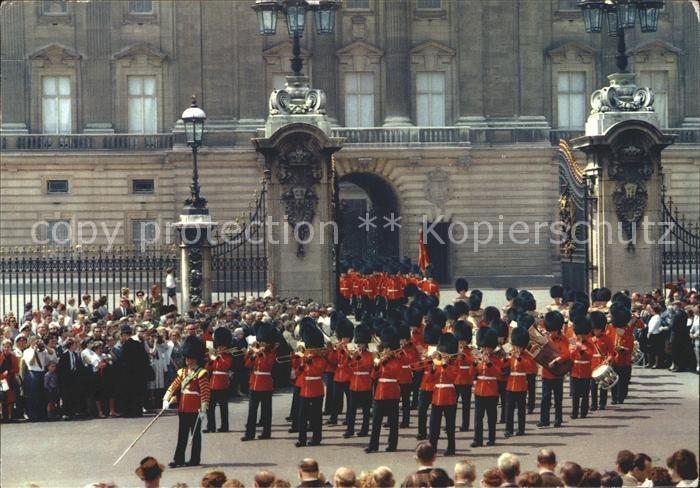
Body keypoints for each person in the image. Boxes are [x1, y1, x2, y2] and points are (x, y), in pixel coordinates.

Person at [163, 335, 210, 468]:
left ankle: (195, 459)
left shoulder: (201, 373)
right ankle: (178, 459)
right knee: (182, 435)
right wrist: (166, 399)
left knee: (195, 435)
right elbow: (174, 386)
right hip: (183, 407)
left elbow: (205, 392)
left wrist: (204, 408)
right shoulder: (183, 372)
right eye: (188, 358)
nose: (189, 361)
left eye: (191, 359)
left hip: (195, 408)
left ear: (197, 359)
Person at [365, 327, 402, 453]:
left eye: (388, 348)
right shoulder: (380, 360)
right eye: (385, 348)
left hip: (392, 393)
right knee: (376, 421)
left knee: (393, 421)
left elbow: (395, 373)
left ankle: (392, 445)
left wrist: (385, 362)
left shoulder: (397, 360)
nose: (386, 350)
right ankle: (373, 445)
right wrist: (377, 365)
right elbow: (373, 376)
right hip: (380, 393)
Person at [242, 322, 277, 441]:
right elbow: (247, 364)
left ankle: (266, 433)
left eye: (264, 342)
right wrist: (252, 355)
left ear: (268, 343)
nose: (262, 344)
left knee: (266, 411)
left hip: (266, 384)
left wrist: (262, 354)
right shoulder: (255, 352)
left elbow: (268, 365)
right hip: (254, 384)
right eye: (261, 342)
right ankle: (249, 434)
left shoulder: (271, 353)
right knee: (252, 411)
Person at [296, 321, 328, 447]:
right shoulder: (304, 357)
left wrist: (309, 362)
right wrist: (300, 362)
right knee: (302, 415)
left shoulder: (320, 359)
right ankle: (301, 439)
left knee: (316, 415)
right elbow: (297, 372)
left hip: (316, 389)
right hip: (305, 389)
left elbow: (318, 371)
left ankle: (316, 438)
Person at [428, 332, 459, 455]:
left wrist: (445, 365)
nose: (443, 355)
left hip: (449, 397)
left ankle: (451, 448)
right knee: (434, 425)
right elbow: (429, 380)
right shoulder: (437, 364)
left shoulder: (454, 364)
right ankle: (432, 448)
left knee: (450, 426)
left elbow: (453, 377)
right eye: (442, 353)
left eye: (445, 353)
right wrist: (434, 368)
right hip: (437, 397)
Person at [538, 311, 570, 428]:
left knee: (558, 399)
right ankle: (544, 420)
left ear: (558, 329)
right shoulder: (545, 339)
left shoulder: (564, 340)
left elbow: (567, 354)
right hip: (546, 374)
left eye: (553, 330)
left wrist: (557, 360)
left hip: (558, 374)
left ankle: (558, 420)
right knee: (545, 399)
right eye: (550, 330)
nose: (551, 333)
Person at [471, 327, 502, 447]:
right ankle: (477, 439)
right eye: (482, 347)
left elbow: (498, 374)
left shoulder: (496, 358)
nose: (484, 349)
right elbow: (471, 374)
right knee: (478, 418)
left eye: (486, 347)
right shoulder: (478, 358)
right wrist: (474, 363)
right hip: (479, 391)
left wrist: (489, 362)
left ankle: (491, 439)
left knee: (491, 417)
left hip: (491, 391)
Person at [344, 324, 373, 438]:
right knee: (351, 410)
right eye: (358, 343)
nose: (359, 345)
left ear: (366, 343)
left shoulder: (370, 355)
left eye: (361, 343)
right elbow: (349, 367)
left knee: (366, 410)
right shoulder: (354, 354)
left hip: (365, 384)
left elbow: (368, 366)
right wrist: (353, 357)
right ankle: (349, 429)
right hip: (354, 384)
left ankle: (364, 430)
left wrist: (358, 358)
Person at [204, 327, 233, 433]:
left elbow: (226, 366)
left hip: (222, 383)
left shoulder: (228, 356)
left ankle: (224, 426)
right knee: (209, 407)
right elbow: (208, 369)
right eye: (219, 346)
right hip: (212, 383)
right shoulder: (214, 355)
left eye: (222, 346)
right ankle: (210, 426)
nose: (220, 348)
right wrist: (210, 361)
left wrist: (219, 356)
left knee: (223, 407)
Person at [118, 324, 150, 417]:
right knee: (137, 394)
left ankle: (128, 412)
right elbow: (145, 359)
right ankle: (137, 411)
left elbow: (124, 361)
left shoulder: (126, 346)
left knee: (128, 394)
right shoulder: (138, 344)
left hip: (128, 374)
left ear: (124, 335)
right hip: (139, 374)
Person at [505, 326, 532, 437]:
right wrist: (505, 358)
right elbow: (503, 365)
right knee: (509, 409)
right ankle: (508, 429)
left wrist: (519, 358)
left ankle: (521, 429)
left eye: (520, 347)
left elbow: (529, 368)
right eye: (516, 346)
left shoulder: (527, 356)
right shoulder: (510, 352)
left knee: (521, 410)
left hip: (521, 385)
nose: (517, 349)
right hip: (511, 385)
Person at [570, 316, 593, 419]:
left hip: (586, 371)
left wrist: (582, 350)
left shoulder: (590, 342)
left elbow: (590, 355)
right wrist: (575, 349)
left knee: (585, 393)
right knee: (575, 393)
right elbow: (570, 354)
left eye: (583, 334)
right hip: (575, 370)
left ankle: (583, 412)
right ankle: (574, 412)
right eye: (579, 334)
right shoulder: (573, 341)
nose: (581, 336)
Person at [0, 338, 20, 421]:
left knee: (11, 398)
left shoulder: (14, 357)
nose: (7, 348)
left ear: (11, 347)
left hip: (11, 379)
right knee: (2, 398)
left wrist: (9, 372)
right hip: (2, 380)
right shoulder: (0, 357)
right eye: (5, 347)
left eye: (8, 347)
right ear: (2, 347)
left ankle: (10, 416)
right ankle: (3, 416)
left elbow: (17, 369)